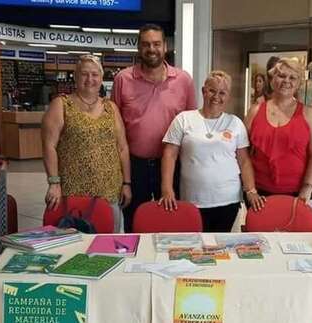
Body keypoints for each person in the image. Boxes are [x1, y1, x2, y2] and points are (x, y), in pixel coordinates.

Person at [112, 23, 197, 232]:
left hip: (172, 166)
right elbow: (114, 126)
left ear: (165, 46)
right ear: (139, 48)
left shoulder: (183, 80)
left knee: (169, 221)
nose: (152, 49)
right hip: (134, 165)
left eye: (156, 44)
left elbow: (191, 125)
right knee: (133, 221)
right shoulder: (123, 79)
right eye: (146, 44)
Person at [159, 71, 264, 232]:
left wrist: (251, 190)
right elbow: (169, 155)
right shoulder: (184, 119)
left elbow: (244, 161)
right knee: (195, 249)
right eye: (212, 91)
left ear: (228, 96)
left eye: (222, 93)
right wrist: (167, 189)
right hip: (192, 200)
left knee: (222, 249)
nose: (216, 96)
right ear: (203, 91)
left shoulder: (235, 123)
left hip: (228, 200)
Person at [42, 55, 132, 232]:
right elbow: (49, 145)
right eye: (84, 74)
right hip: (74, 193)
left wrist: (126, 183)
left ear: (101, 78)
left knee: (108, 241)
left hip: (109, 190)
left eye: (94, 74)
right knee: (76, 244)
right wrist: (54, 182)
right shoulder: (61, 105)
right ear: (75, 77)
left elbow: (122, 147)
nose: (89, 79)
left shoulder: (111, 107)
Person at [244, 58, 312, 201]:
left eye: (292, 77)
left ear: (299, 83)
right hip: (258, 195)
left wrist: (307, 188)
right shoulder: (255, 111)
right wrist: (250, 190)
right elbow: (243, 153)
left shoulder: (309, 115)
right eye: (281, 76)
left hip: (298, 194)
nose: (286, 81)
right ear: (272, 79)